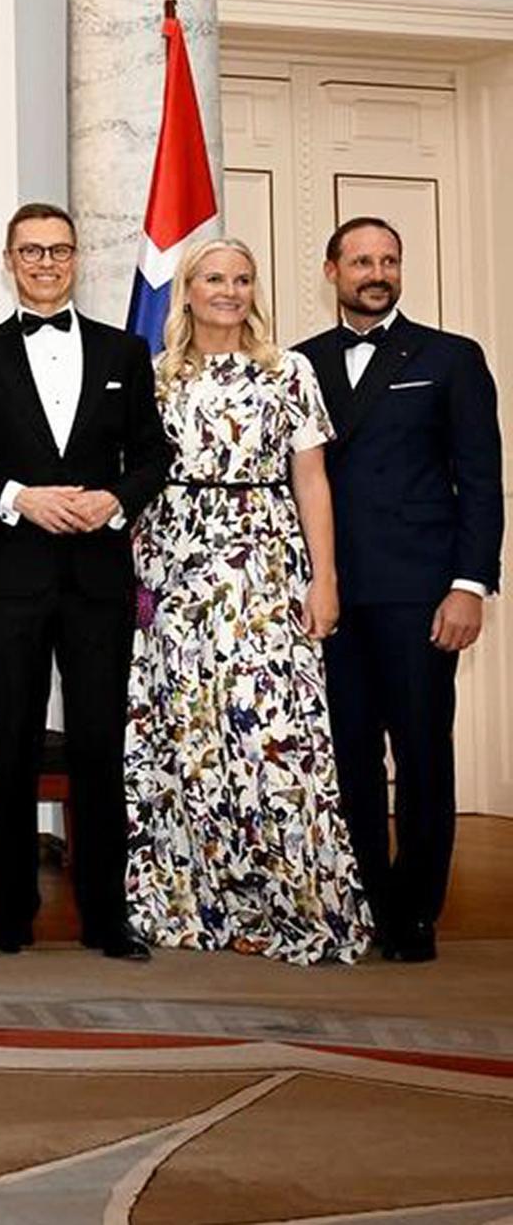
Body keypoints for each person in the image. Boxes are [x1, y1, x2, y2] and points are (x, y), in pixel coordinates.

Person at [124, 238, 371, 965]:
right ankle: (198, 900)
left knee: (275, 738)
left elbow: (312, 481)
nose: (229, 290)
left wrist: (323, 578)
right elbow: (137, 485)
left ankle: (291, 901)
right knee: (192, 736)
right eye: (213, 278)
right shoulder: (157, 377)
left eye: (241, 278)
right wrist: (138, 580)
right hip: (178, 575)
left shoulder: (289, 372)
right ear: (188, 291)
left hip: (265, 566)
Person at [0, 203, 166, 962]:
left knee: (102, 747)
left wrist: (114, 502)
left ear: (77, 260)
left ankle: (108, 918)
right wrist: (19, 498)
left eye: (59, 250)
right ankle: (10, 917)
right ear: (8, 260)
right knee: (13, 748)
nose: (45, 263)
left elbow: (151, 457)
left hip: (100, 581)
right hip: (11, 580)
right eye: (31, 251)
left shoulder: (126, 352)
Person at [297, 218, 501, 964]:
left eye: (388, 260)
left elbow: (481, 482)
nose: (375, 272)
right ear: (332, 271)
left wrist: (469, 584)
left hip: (420, 590)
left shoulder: (451, 358)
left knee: (419, 751)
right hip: (330, 592)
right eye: (360, 261)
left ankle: (415, 911)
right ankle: (365, 901)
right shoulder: (298, 363)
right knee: (345, 752)